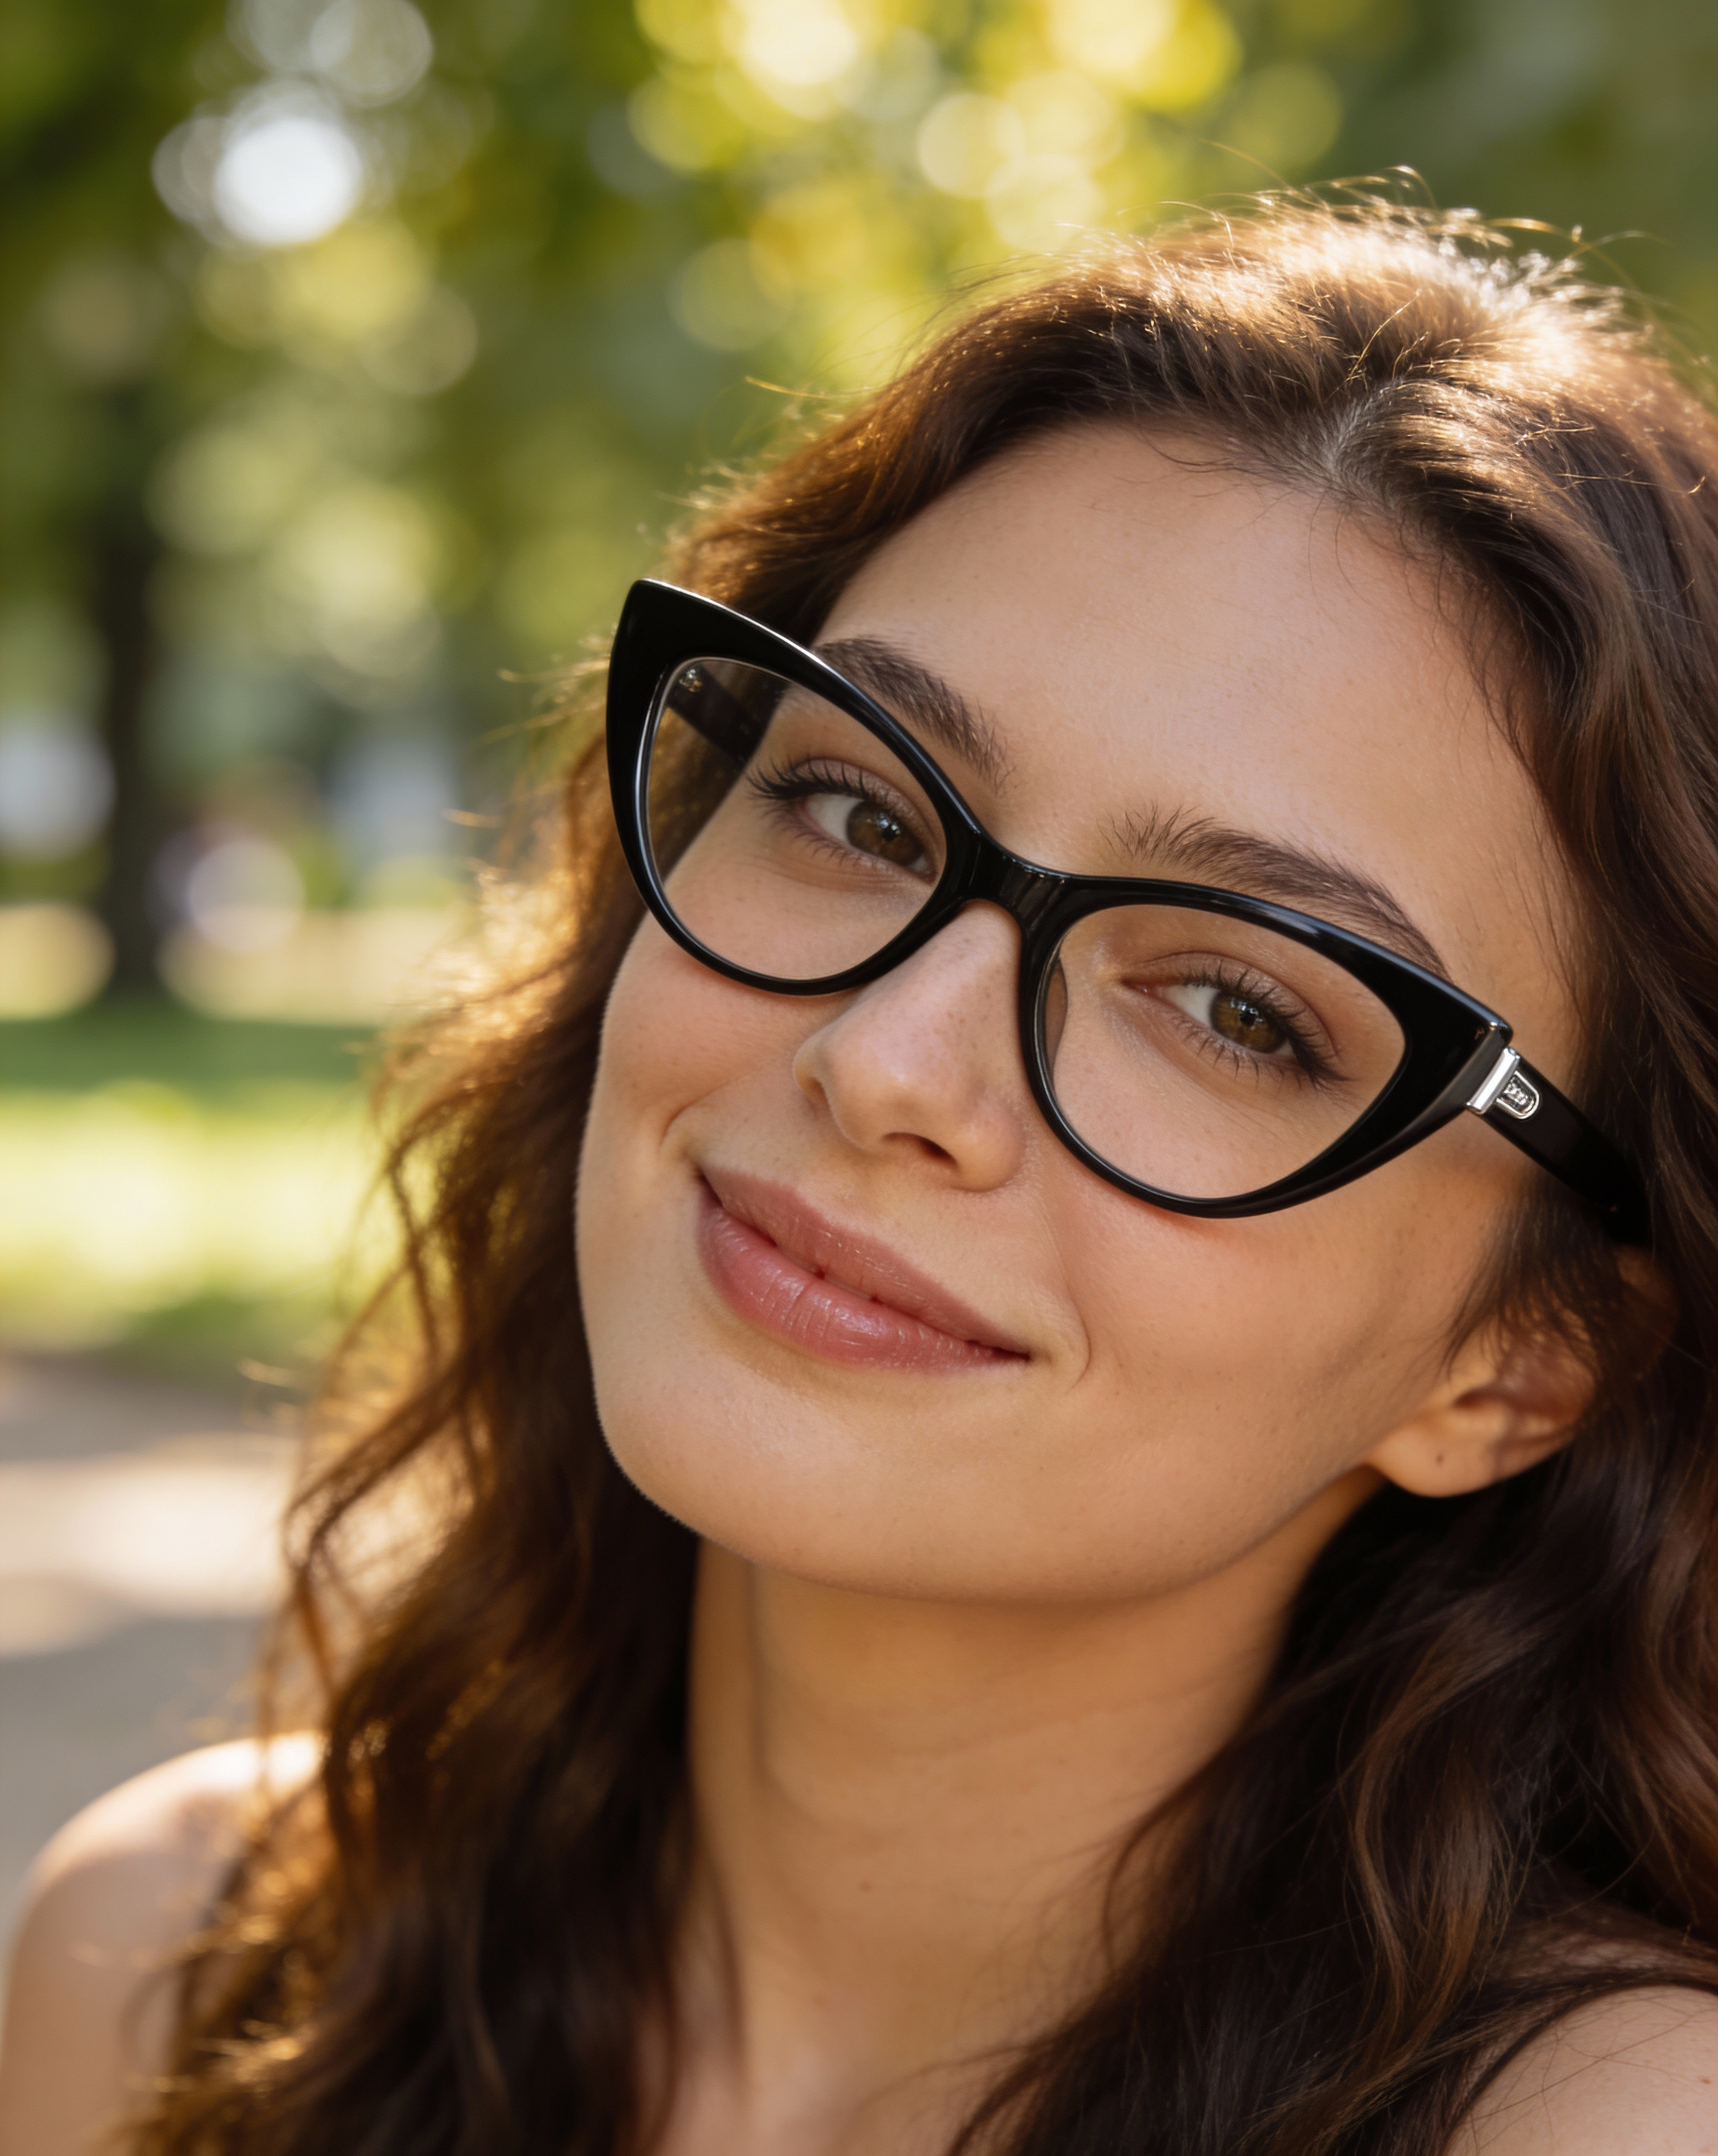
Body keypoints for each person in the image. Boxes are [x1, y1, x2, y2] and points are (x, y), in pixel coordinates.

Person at [4, 194, 1718, 2156]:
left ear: (1518, 1363)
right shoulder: (179, 1970)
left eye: (1241, 1012)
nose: (889, 1062)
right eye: (854, 805)